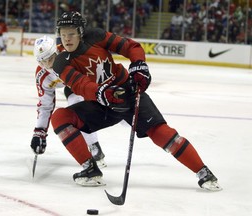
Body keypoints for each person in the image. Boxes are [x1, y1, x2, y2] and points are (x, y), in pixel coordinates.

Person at [38, 11, 221, 191]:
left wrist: (139, 66)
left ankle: (204, 172)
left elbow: (130, 47)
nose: (67, 38)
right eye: (63, 34)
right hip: (101, 104)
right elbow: (80, 85)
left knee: (162, 134)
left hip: (128, 92)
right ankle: (90, 169)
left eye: (71, 33)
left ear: (81, 32)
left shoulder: (96, 36)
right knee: (61, 117)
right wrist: (102, 92)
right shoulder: (61, 62)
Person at [30, 35, 106, 168]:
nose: (48, 65)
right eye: (42, 62)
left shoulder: (70, 55)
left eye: (50, 59)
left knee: (119, 112)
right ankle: (94, 147)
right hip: (72, 87)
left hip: (90, 82)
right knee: (77, 107)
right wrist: (39, 132)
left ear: (57, 52)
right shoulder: (42, 76)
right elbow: (45, 105)